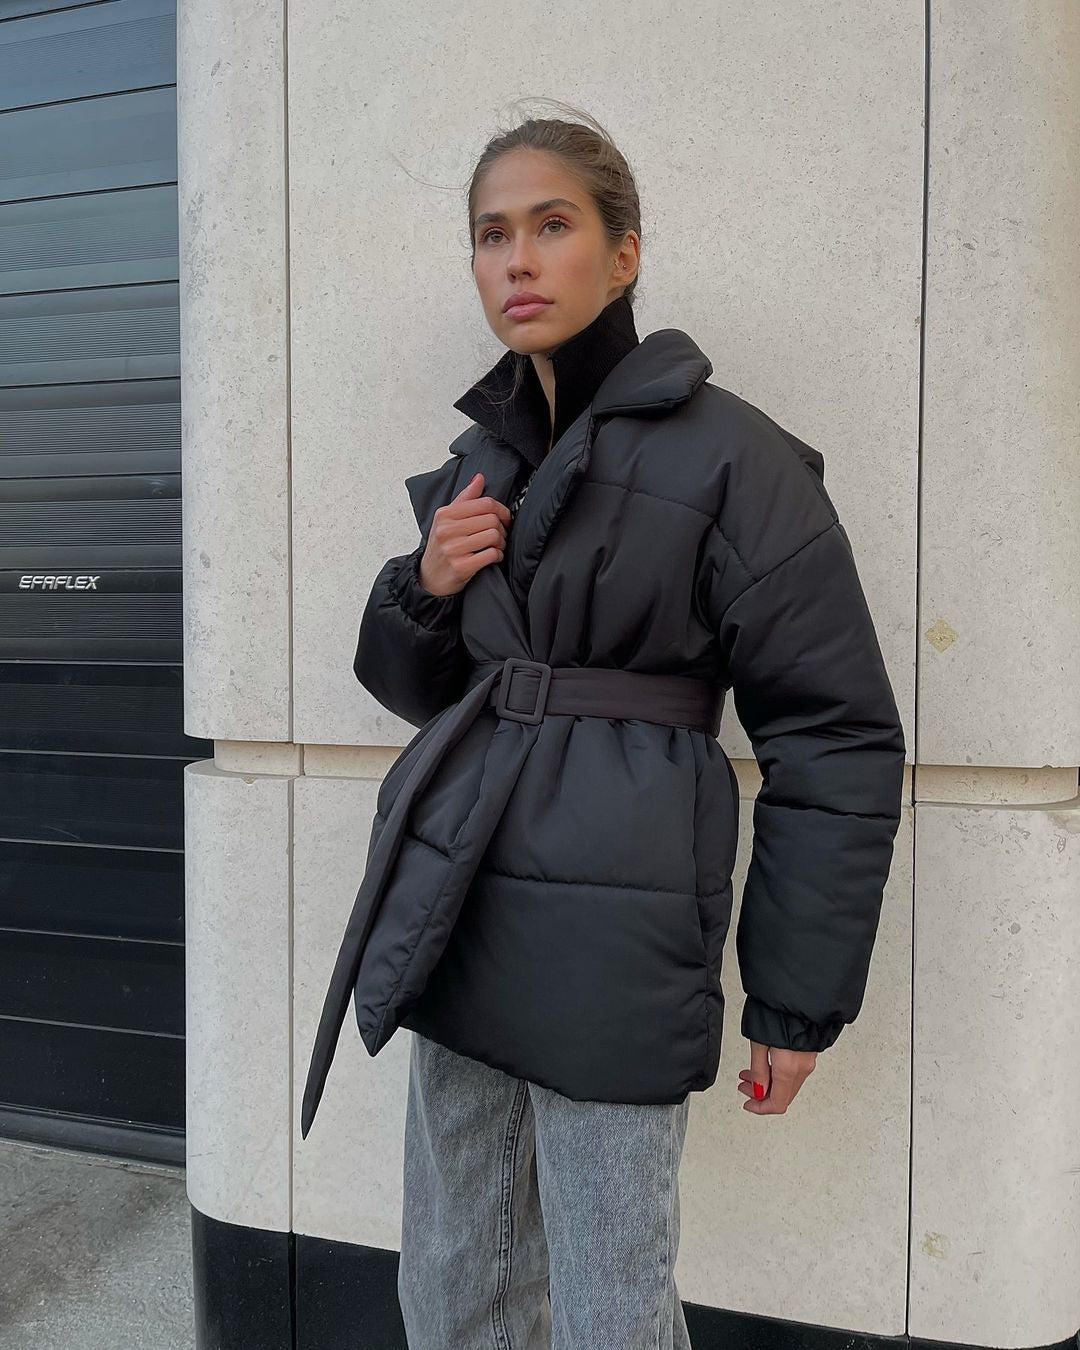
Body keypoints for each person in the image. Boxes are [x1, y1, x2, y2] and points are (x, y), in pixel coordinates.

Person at [302, 102, 906, 1350]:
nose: (517, 260)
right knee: (452, 1285)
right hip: (461, 905)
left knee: (609, 1304)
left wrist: (794, 1001)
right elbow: (424, 692)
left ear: (623, 254)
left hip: (615, 933)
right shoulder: (479, 464)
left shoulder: (735, 460)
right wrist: (427, 583)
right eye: (491, 234)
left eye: (552, 225)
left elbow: (833, 735)